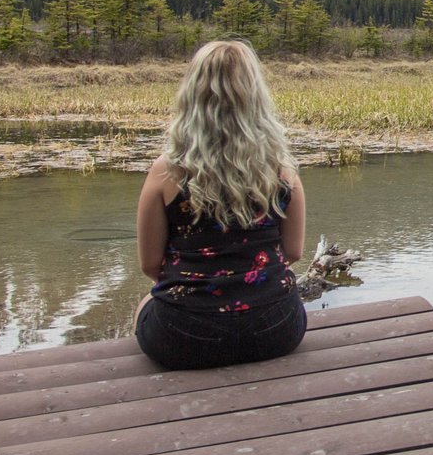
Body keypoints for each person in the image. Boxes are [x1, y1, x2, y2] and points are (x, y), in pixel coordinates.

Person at [131, 39, 308, 369]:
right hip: (277, 330)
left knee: (144, 304)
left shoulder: (167, 171)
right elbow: (293, 253)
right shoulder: (283, 170)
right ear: (255, 97)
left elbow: (150, 265)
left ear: (193, 95)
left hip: (184, 337)